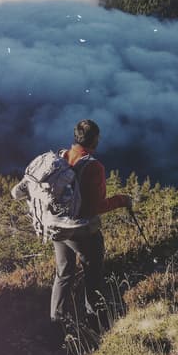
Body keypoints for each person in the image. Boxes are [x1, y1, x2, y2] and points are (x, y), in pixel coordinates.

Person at [50, 118, 131, 328]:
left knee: (64, 272)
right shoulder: (94, 166)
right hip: (81, 229)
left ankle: (57, 321)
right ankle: (96, 321)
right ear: (95, 139)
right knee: (93, 271)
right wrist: (122, 200)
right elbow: (96, 207)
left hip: (58, 225)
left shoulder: (62, 157)